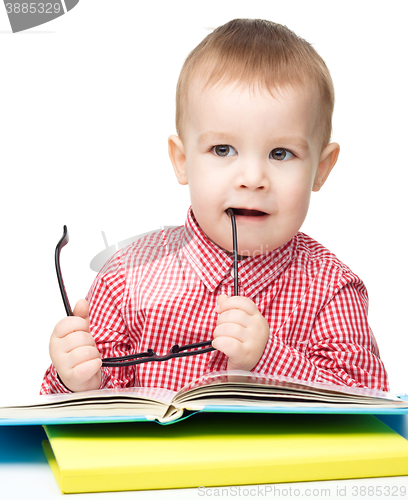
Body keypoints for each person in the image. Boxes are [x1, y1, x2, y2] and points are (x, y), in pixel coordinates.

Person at [41, 18, 389, 395]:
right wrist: (77, 379)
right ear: (182, 160)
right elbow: (75, 409)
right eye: (223, 150)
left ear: (320, 170)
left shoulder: (332, 290)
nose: (253, 178)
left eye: (281, 153)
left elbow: (365, 400)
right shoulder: (123, 280)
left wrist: (268, 358)